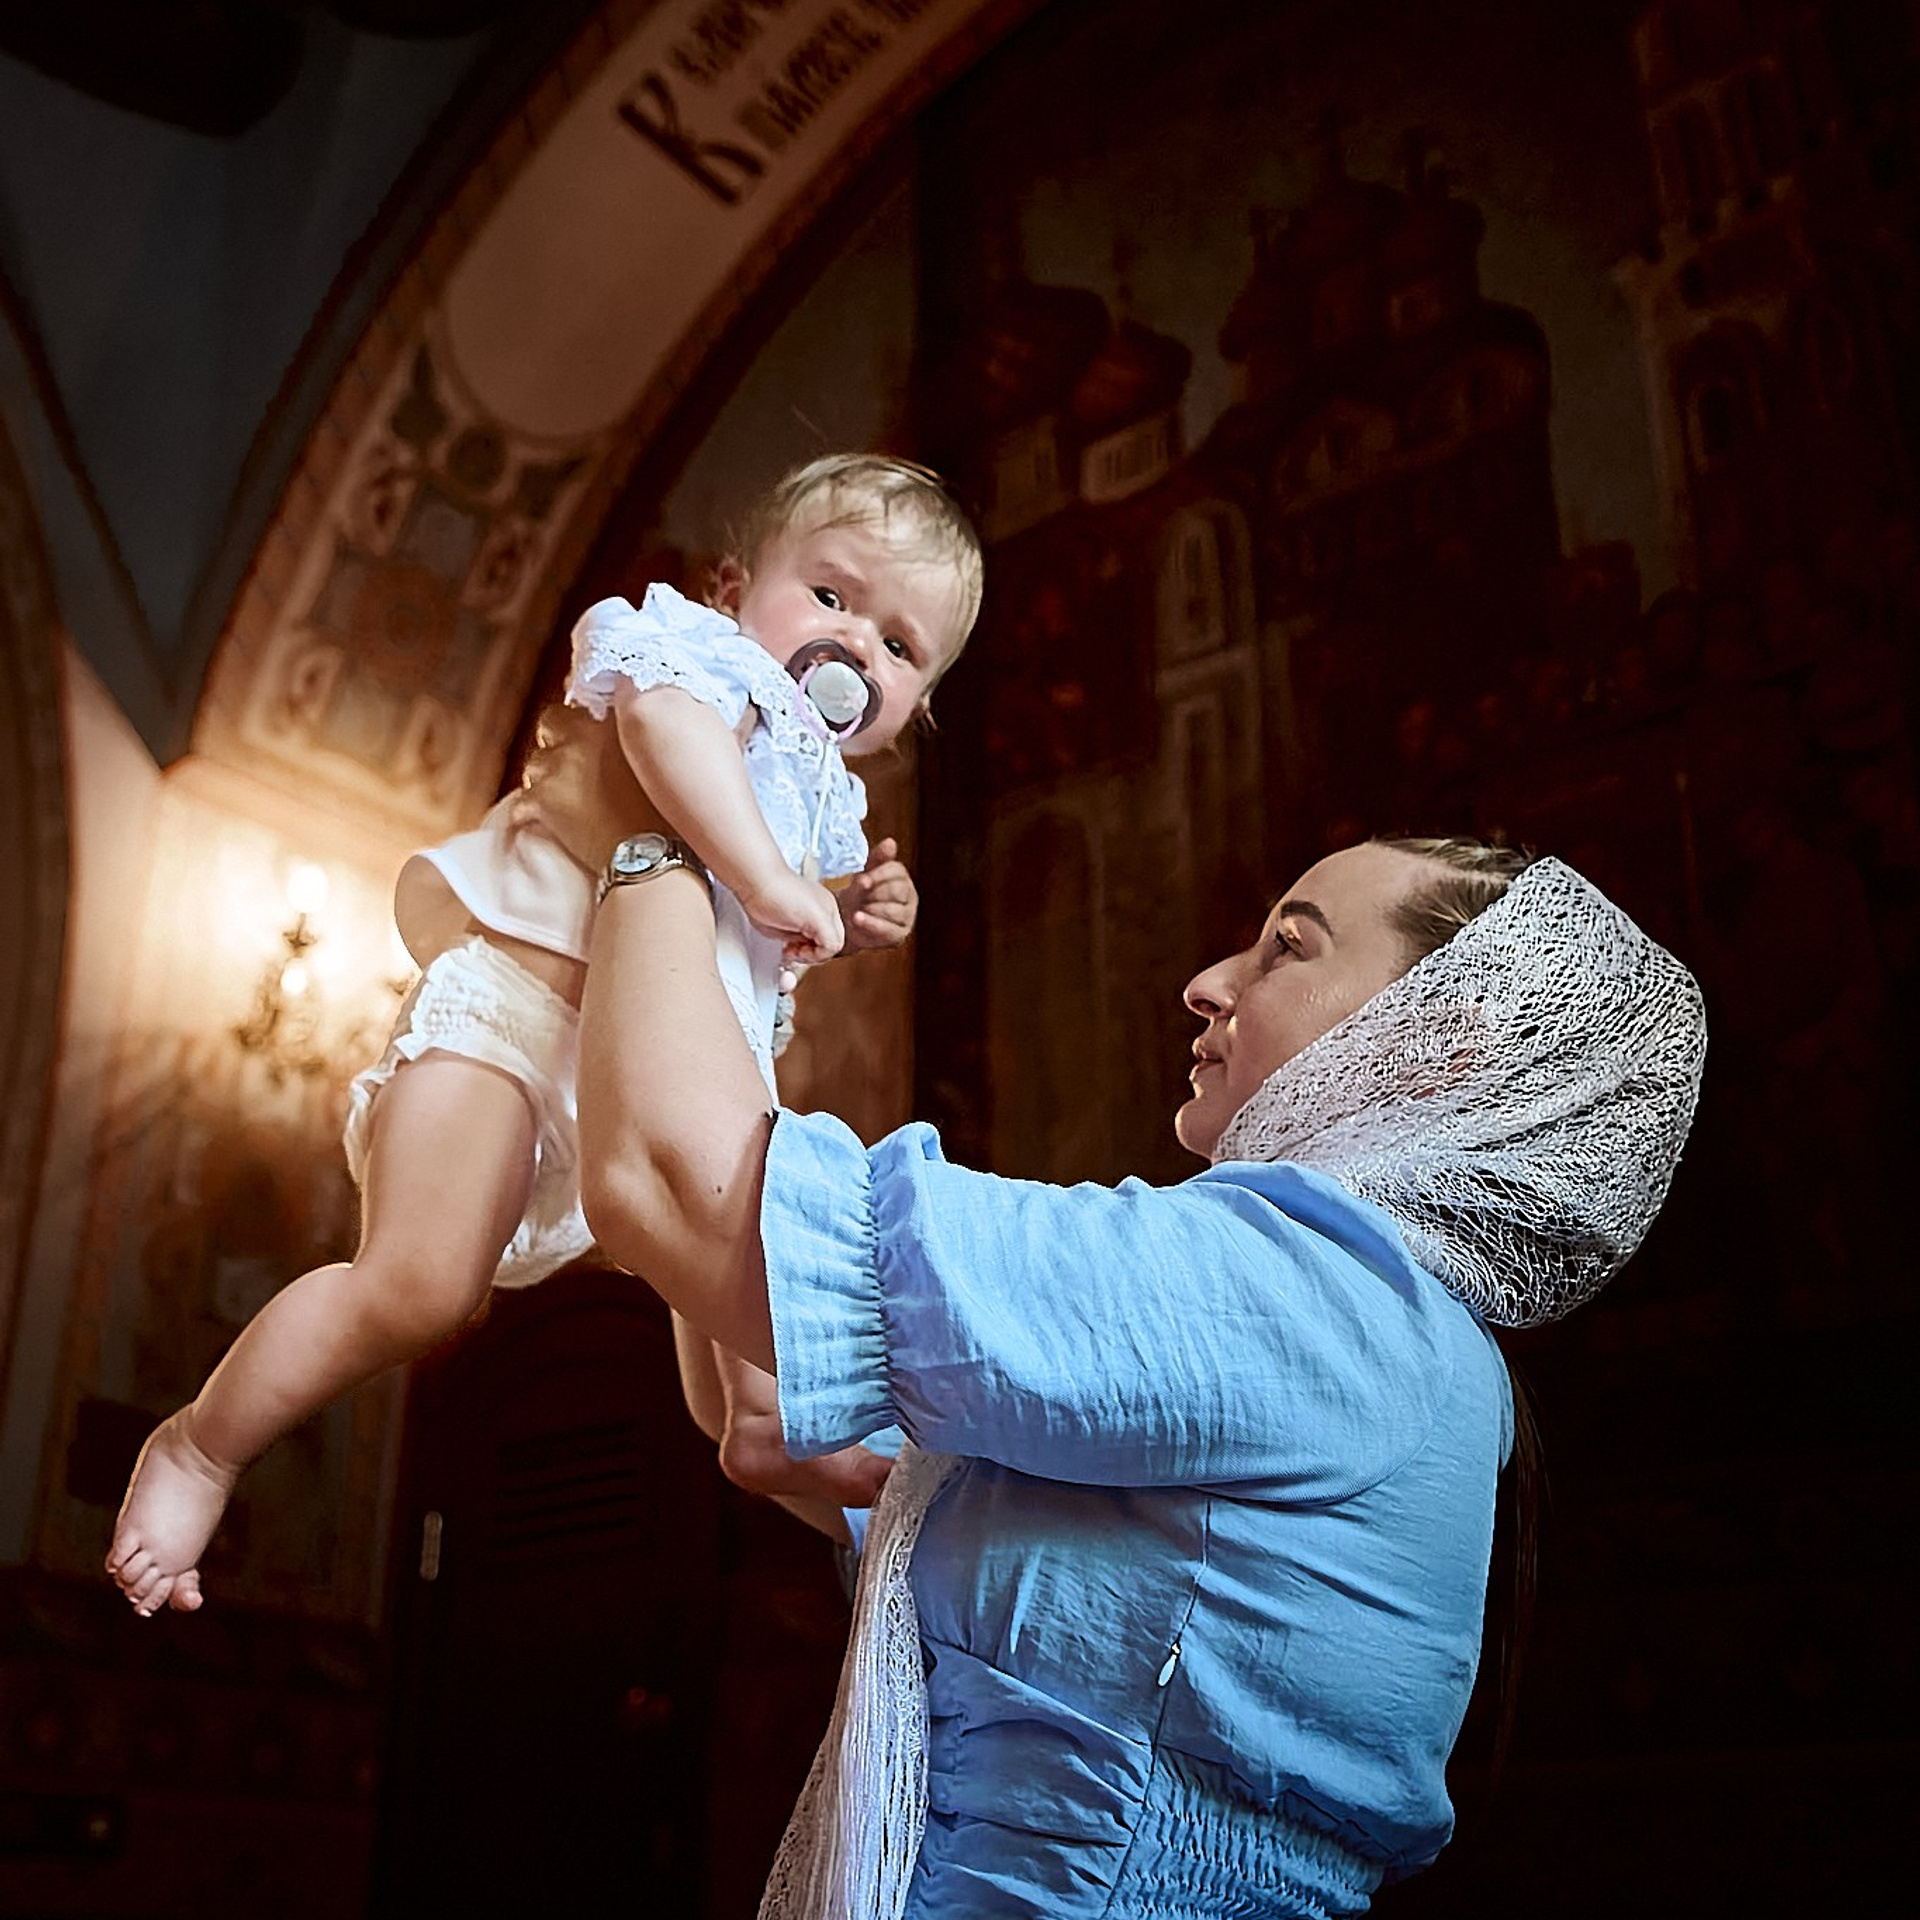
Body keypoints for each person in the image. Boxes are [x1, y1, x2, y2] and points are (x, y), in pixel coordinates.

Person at [540, 704, 1706, 1918]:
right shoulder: (1383, 1329)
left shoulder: (1313, 1297)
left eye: (1286, 950)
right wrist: (734, 979)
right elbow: (777, 1423)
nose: (1206, 984)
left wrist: (659, 837)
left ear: (1444, 1047)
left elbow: (675, 1182)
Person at [107, 454, 983, 1617]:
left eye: (899, 645)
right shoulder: (685, 651)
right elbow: (670, 742)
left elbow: (764, 933)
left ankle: (768, 1437)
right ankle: (200, 1446)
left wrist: (856, 917)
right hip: (518, 1017)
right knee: (418, 1287)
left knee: (755, 1291)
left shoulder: (823, 798)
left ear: (913, 712)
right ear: (732, 586)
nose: (855, 645)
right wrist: (774, 878)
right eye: (830, 596)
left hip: (655, 1078)